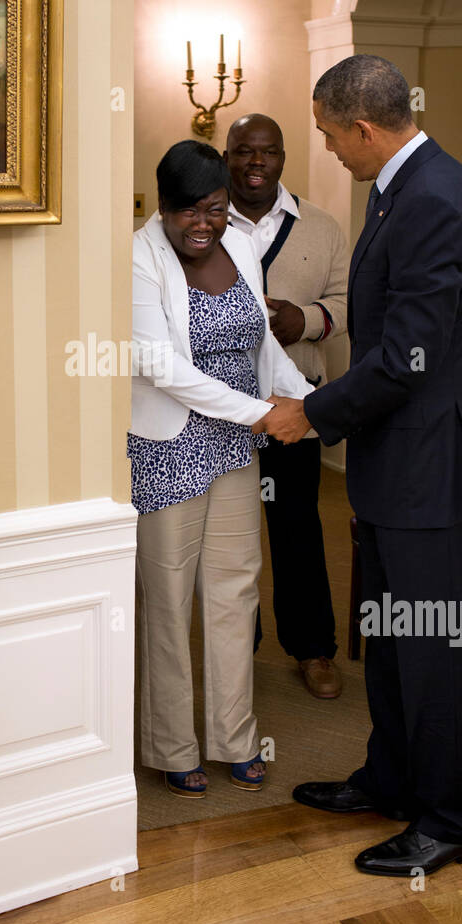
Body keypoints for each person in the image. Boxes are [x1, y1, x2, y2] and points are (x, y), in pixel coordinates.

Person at [265, 55, 462, 877]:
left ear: (365, 129)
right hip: (395, 464)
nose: (331, 152)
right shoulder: (399, 186)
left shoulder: (435, 200)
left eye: (333, 137)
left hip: (437, 471)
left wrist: (312, 410)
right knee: (390, 636)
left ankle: (448, 820)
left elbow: (408, 357)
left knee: (436, 650)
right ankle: (392, 779)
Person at [130, 140, 314, 797]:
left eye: (214, 208)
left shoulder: (238, 244)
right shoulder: (138, 256)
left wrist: (307, 403)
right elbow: (160, 365)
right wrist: (259, 414)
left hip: (236, 447)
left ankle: (235, 738)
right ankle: (173, 746)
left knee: (236, 592)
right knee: (169, 601)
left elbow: (261, 345)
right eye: (188, 212)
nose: (203, 224)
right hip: (168, 447)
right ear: (163, 207)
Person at [225, 113, 348, 698]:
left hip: (294, 408)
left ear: (281, 157)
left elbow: (349, 303)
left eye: (267, 152)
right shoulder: (198, 223)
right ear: (227, 156)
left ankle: (314, 650)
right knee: (228, 536)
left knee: (297, 527)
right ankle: (234, 650)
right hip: (218, 414)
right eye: (244, 151)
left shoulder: (322, 228)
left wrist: (307, 320)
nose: (256, 162)